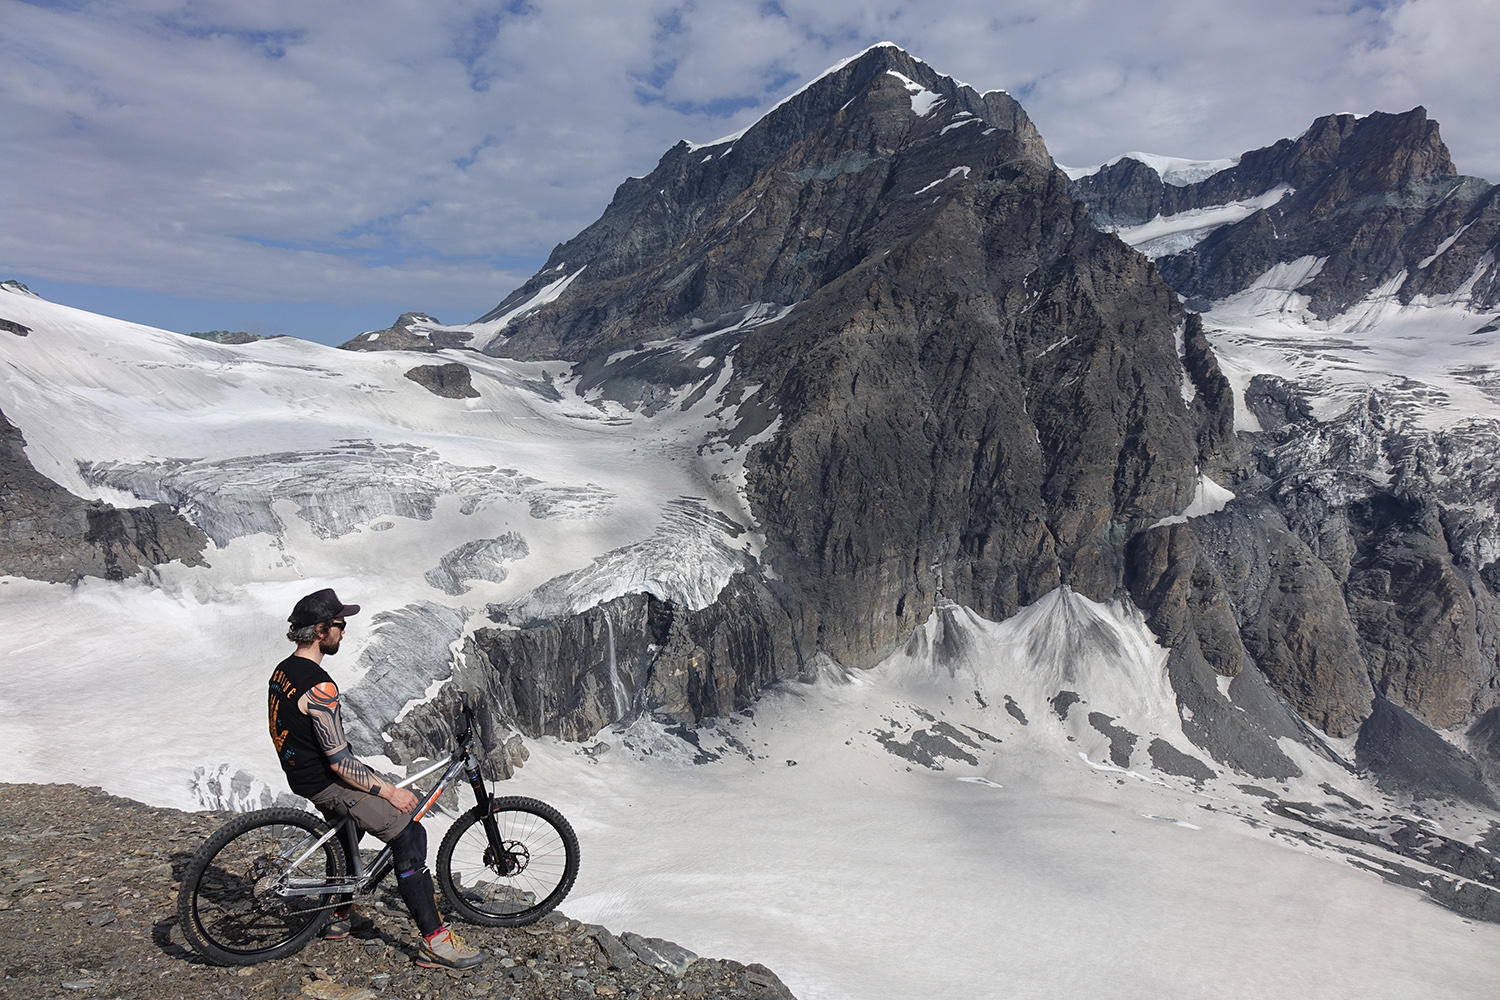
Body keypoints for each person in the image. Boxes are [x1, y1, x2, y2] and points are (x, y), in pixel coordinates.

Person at [267, 588, 483, 970]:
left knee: (354, 830)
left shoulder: (283, 671)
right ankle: (436, 942)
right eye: (339, 624)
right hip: (327, 782)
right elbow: (338, 762)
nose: (344, 631)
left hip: (301, 774)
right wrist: (389, 791)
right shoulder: (319, 687)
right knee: (409, 833)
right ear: (320, 631)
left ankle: (338, 916)